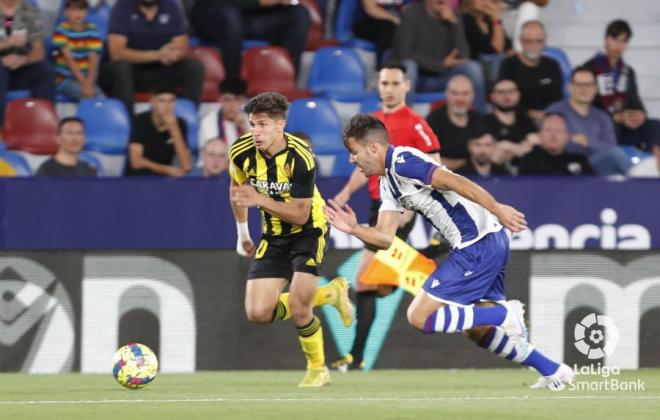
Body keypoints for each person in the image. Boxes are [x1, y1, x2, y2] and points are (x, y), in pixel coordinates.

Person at [325, 113, 573, 390]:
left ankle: (504, 315)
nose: (351, 160)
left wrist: (497, 207)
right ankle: (554, 371)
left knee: (419, 316)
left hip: (476, 244)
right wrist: (353, 228)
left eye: (353, 152)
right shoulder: (388, 183)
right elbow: (384, 238)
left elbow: (455, 181)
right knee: (476, 331)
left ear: (372, 148)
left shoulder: (404, 162)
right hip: (485, 242)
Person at [228, 92, 354, 387]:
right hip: (273, 236)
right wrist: (243, 234)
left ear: (280, 124)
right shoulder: (240, 152)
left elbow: (299, 214)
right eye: (252, 125)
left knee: (300, 308)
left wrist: (258, 198)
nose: (255, 132)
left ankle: (317, 369)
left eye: (262, 125)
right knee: (258, 312)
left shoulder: (301, 156)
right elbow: (237, 189)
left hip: (309, 232)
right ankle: (330, 294)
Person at [331, 61, 440, 371]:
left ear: (406, 86)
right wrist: (345, 193)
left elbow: (435, 166)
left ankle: (355, 357)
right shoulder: (372, 123)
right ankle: (430, 254)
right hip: (375, 205)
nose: (389, 89)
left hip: (399, 209)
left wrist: (411, 205)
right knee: (373, 285)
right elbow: (365, 167)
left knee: (364, 280)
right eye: (384, 84)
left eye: (395, 84)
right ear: (378, 86)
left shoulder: (416, 123)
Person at [102, 0, 204, 114]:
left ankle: (188, 120)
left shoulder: (171, 5)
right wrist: (157, 55)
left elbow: (182, 46)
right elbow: (116, 53)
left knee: (194, 67)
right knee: (120, 67)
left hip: (162, 69)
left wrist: (174, 55)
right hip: (133, 72)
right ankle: (128, 124)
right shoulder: (122, 6)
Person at [390, 0, 487, 112]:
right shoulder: (411, 13)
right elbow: (403, 53)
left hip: (444, 77)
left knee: (473, 68)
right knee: (409, 66)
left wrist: (454, 23)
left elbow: (463, 55)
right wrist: (440, 65)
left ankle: (480, 120)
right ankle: (402, 120)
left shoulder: (454, 15)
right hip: (418, 79)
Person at [583, 19, 660, 151]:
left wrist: (640, 115)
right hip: (602, 126)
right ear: (606, 39)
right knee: (613, 127)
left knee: (655, 126)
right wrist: (615, 118)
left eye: (623, 41)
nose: (618, 45)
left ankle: (650, 166)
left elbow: (637, 103)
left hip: (626, 126)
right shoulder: (589, 69)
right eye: (615, 39)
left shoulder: (628, 72)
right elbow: (586, 108)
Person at [190, 0, 310, 78]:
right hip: (213, 17)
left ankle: (285, 79)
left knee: (299, 14)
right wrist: (261, 2)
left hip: (250, 20)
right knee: (231, 17)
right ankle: (233, 85)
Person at [545, 66, 630, 175]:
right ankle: (640, 186)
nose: (584, 89)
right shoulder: (555, 112)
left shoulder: (602, 117)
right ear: (569, 87)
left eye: (588, 85)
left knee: (617, 160)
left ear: (595, 89)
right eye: (579, 85)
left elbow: (611, 148)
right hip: (565, 166)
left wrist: (589, 142)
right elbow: (550, 142)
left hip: (596, 166)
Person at [0, 0, 55, 123]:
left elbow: (39, 51)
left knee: (45, 69)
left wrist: (22, 60)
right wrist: (8, 43)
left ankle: (45, 123)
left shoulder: (30, 12)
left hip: (22, 67)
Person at [498, 20, 563, 124]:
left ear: (545, 41)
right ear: (521, 41)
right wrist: (529, 113)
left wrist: (549, 115)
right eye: (529, 41)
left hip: (550, 120)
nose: (534, 45)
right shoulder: (509, 65)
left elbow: (558, 99)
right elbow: (504, 100)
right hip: (517, 120)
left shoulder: (553, 66)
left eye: (538, 41)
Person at [124, 85, 193, 176]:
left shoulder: (179, 123)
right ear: (152, 102)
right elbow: (136, 162)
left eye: (171, 101)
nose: (167, 106)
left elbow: (187, 166)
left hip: (164, 181)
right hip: (137, 178)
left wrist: (174, 129)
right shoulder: (140, 121)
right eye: (162, 101)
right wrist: (166, 170)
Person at [426, 74, 484, 170]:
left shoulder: (479, 120)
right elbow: (427, 159)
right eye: (454, 93)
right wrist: (466, 163)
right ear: (446, 94)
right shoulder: (433, 121)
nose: (460, 99)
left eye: (465, 93)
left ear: (473, 95)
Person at [52, 0, 103, 100]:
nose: (78, 13)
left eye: (81, 9)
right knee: (90, 98)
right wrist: (83, 83)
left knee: (102, 100)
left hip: (87, 79)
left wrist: (89, 82)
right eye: (74, 10)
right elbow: (69, 59)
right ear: (65, 12)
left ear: (87, 12)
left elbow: (94, 60)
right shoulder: (61, 30)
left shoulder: (92, 29)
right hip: (65, 80)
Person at [517, 112, 595, 176]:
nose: (553, 135)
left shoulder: (579, 160)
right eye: (548, 130)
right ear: (540, 134)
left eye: (559, 131)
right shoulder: (529, 161)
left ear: (567, 136)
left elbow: (596, 187)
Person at [485, 78, 538, 165]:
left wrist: (509, 148)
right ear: (492, 96)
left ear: (518, 94)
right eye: (501, 92)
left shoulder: (527, 122)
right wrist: (519, 148)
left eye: (511, 91)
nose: (506, 96)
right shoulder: (484, 123)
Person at [460, 0, 512, 80]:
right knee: (496, 58)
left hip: (493, 65)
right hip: (474, 67)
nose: (484, 1)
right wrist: (496, 20)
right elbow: (495, 49)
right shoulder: (465, 19)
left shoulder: (489, 21)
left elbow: (508, 45)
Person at [352, 0, 411, 64]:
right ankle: (382, 67)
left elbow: (409, 9)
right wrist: (395, 19)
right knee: (387, 27)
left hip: (396, 24)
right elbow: (370, 9)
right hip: (369, 22)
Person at [198, 77, 249, 149]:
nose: (232, 105)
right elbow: (211, 155)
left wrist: (244, 129)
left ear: (244, 101)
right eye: (227, 99)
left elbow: (262, 155)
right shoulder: (208, 122)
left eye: (237, 100)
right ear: (220, 100)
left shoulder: (254, 121)